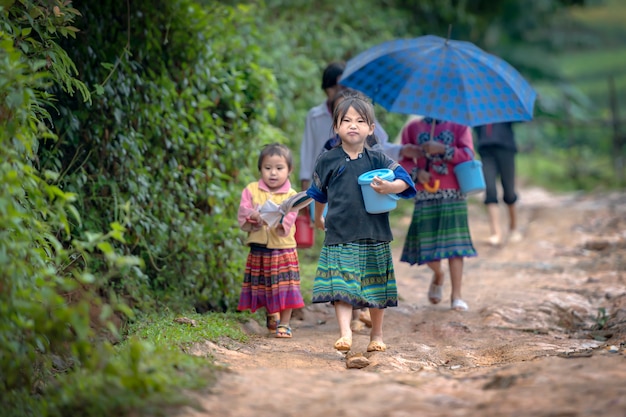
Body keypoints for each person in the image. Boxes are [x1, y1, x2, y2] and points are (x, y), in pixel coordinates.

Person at [306, 94, 416, 353]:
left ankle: (376, 335)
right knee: (341, 286)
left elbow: (405, 181)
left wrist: (390, 186)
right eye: (346, 120)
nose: (352, 125)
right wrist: (318, 218)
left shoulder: (377, 159)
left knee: (376, 287)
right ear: (336, 127)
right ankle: (345, 333)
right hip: (340, 233)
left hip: (374, 233)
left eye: (360, 120)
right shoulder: (327, 160)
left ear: (371, 128)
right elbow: (318, 194)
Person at [398, 117, 478, 312]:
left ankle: (456, 296)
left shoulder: (460, 126)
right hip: (425, 194)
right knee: (427, 245)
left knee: (455, 247)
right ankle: (439, 274)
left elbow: (468, 155)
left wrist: (443, 149)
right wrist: (417, 173)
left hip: (454, 193)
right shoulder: (412, 128)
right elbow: (403, 159)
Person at [237, 143, 305, 338]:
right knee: (265, 285)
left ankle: (284, 323)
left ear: (289, 170)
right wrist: (253, 216)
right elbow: (243, 211)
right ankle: (270, 313)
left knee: (286, 286)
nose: (273, 173)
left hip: (283, 248)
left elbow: (290, 217)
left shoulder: (292, 195)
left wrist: (278, 221)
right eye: (268, 168)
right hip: (259, 247)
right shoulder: (251, 190)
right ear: (260, 169)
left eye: (279, 168)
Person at [474, 122, 522, 246]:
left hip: (505, 148)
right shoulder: (478, 109)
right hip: (485, 151)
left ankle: (513, 228)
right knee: (489, 190)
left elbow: (520, 119)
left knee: (509, 190)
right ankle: (496, 233)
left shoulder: (504, 106)